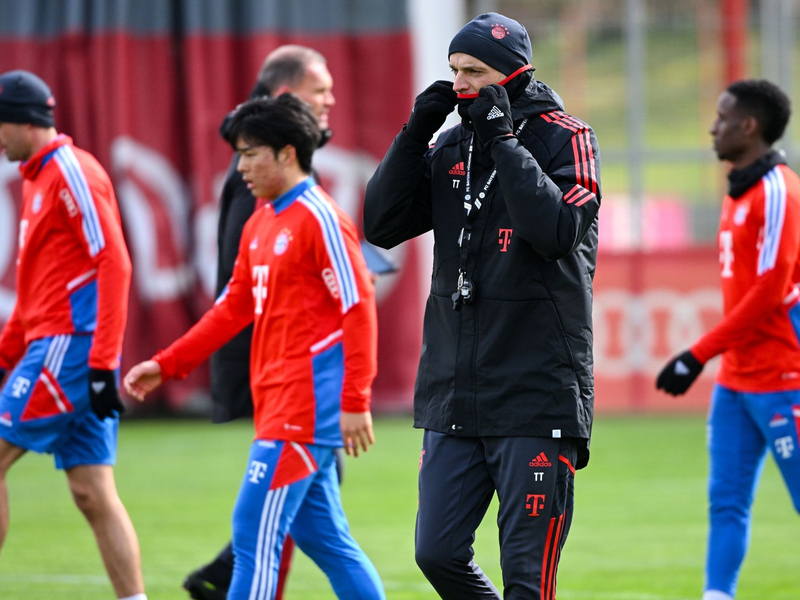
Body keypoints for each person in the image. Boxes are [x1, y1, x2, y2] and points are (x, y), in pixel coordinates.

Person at [364, 12, 600, 600]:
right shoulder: (451, 143)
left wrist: (504, 138)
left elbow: (555, 230)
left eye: (475, 72)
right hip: (455, 390)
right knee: (436, 552)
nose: (462, 83)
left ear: (514, 73)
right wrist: (416, 130)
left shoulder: (566, 136)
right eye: (454, 71)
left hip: (535, 390)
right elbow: (381, 223)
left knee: (528, 578)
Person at [124, 94, 385, 600]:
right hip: (280, 404)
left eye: (250, 153)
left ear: (287, 153)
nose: (240, 166)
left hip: (302, 410)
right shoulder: (261, 221)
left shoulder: (320, 218)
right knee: (327, 540)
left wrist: (355, 400)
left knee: (252, 537)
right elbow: (232, 310)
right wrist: (167, 364)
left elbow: (358, 307)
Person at [185, 45, 336, 600]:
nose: (331, 100)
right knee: (291, 525)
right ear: (285, 98)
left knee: (309, 528)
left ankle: (229, 577)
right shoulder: (262, 190)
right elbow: (241, 290)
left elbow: (352, 307)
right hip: (285, 378)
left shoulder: (306, 203)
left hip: (301, 384)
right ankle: (230, 578)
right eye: (320, 90)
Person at [0, 70, 145, 600]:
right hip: (59, 346)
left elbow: (115, 262)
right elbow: (36, 284)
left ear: (24, 119)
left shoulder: (70, 172)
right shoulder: (38, 179)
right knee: (91, 490)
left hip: (71, 348)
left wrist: (104, 361)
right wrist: (6, 353)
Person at [656, 80, 799, 600]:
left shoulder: (778, 190)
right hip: (738, 381)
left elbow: (769, 291)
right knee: (726, 503)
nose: (712, 127)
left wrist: (697, 354)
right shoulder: (738, 189)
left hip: (785, 379)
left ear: (749, 126)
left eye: (721, 117)